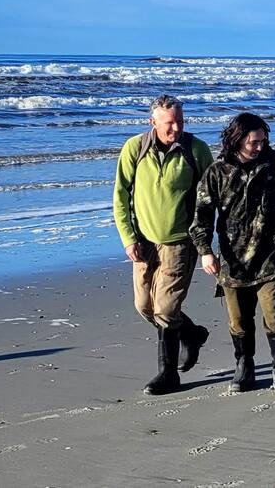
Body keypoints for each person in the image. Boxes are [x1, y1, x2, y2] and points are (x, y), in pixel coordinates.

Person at [190, 112, 275, 394]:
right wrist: (205, 252)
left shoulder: (273, 162)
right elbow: (202, 215)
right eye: (254, 142)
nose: (260, 146)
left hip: (270, 255)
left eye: (263, 140)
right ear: (237, 140)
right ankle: (244, 366)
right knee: (238, 320)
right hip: (232, 261)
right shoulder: (217, 172)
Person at [113, 95, 214, 395]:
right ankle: (192, 334)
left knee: (167, 309)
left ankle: (168, 374)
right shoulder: (135, 148)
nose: (176, 128)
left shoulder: (196, 150)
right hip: (143, 243)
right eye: (169, 123)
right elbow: (120, 196)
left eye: (180, 121)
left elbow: (210, 199)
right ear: (153, 121)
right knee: (144, 306)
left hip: (181, 242)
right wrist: (128, 238)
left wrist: (206, 243)